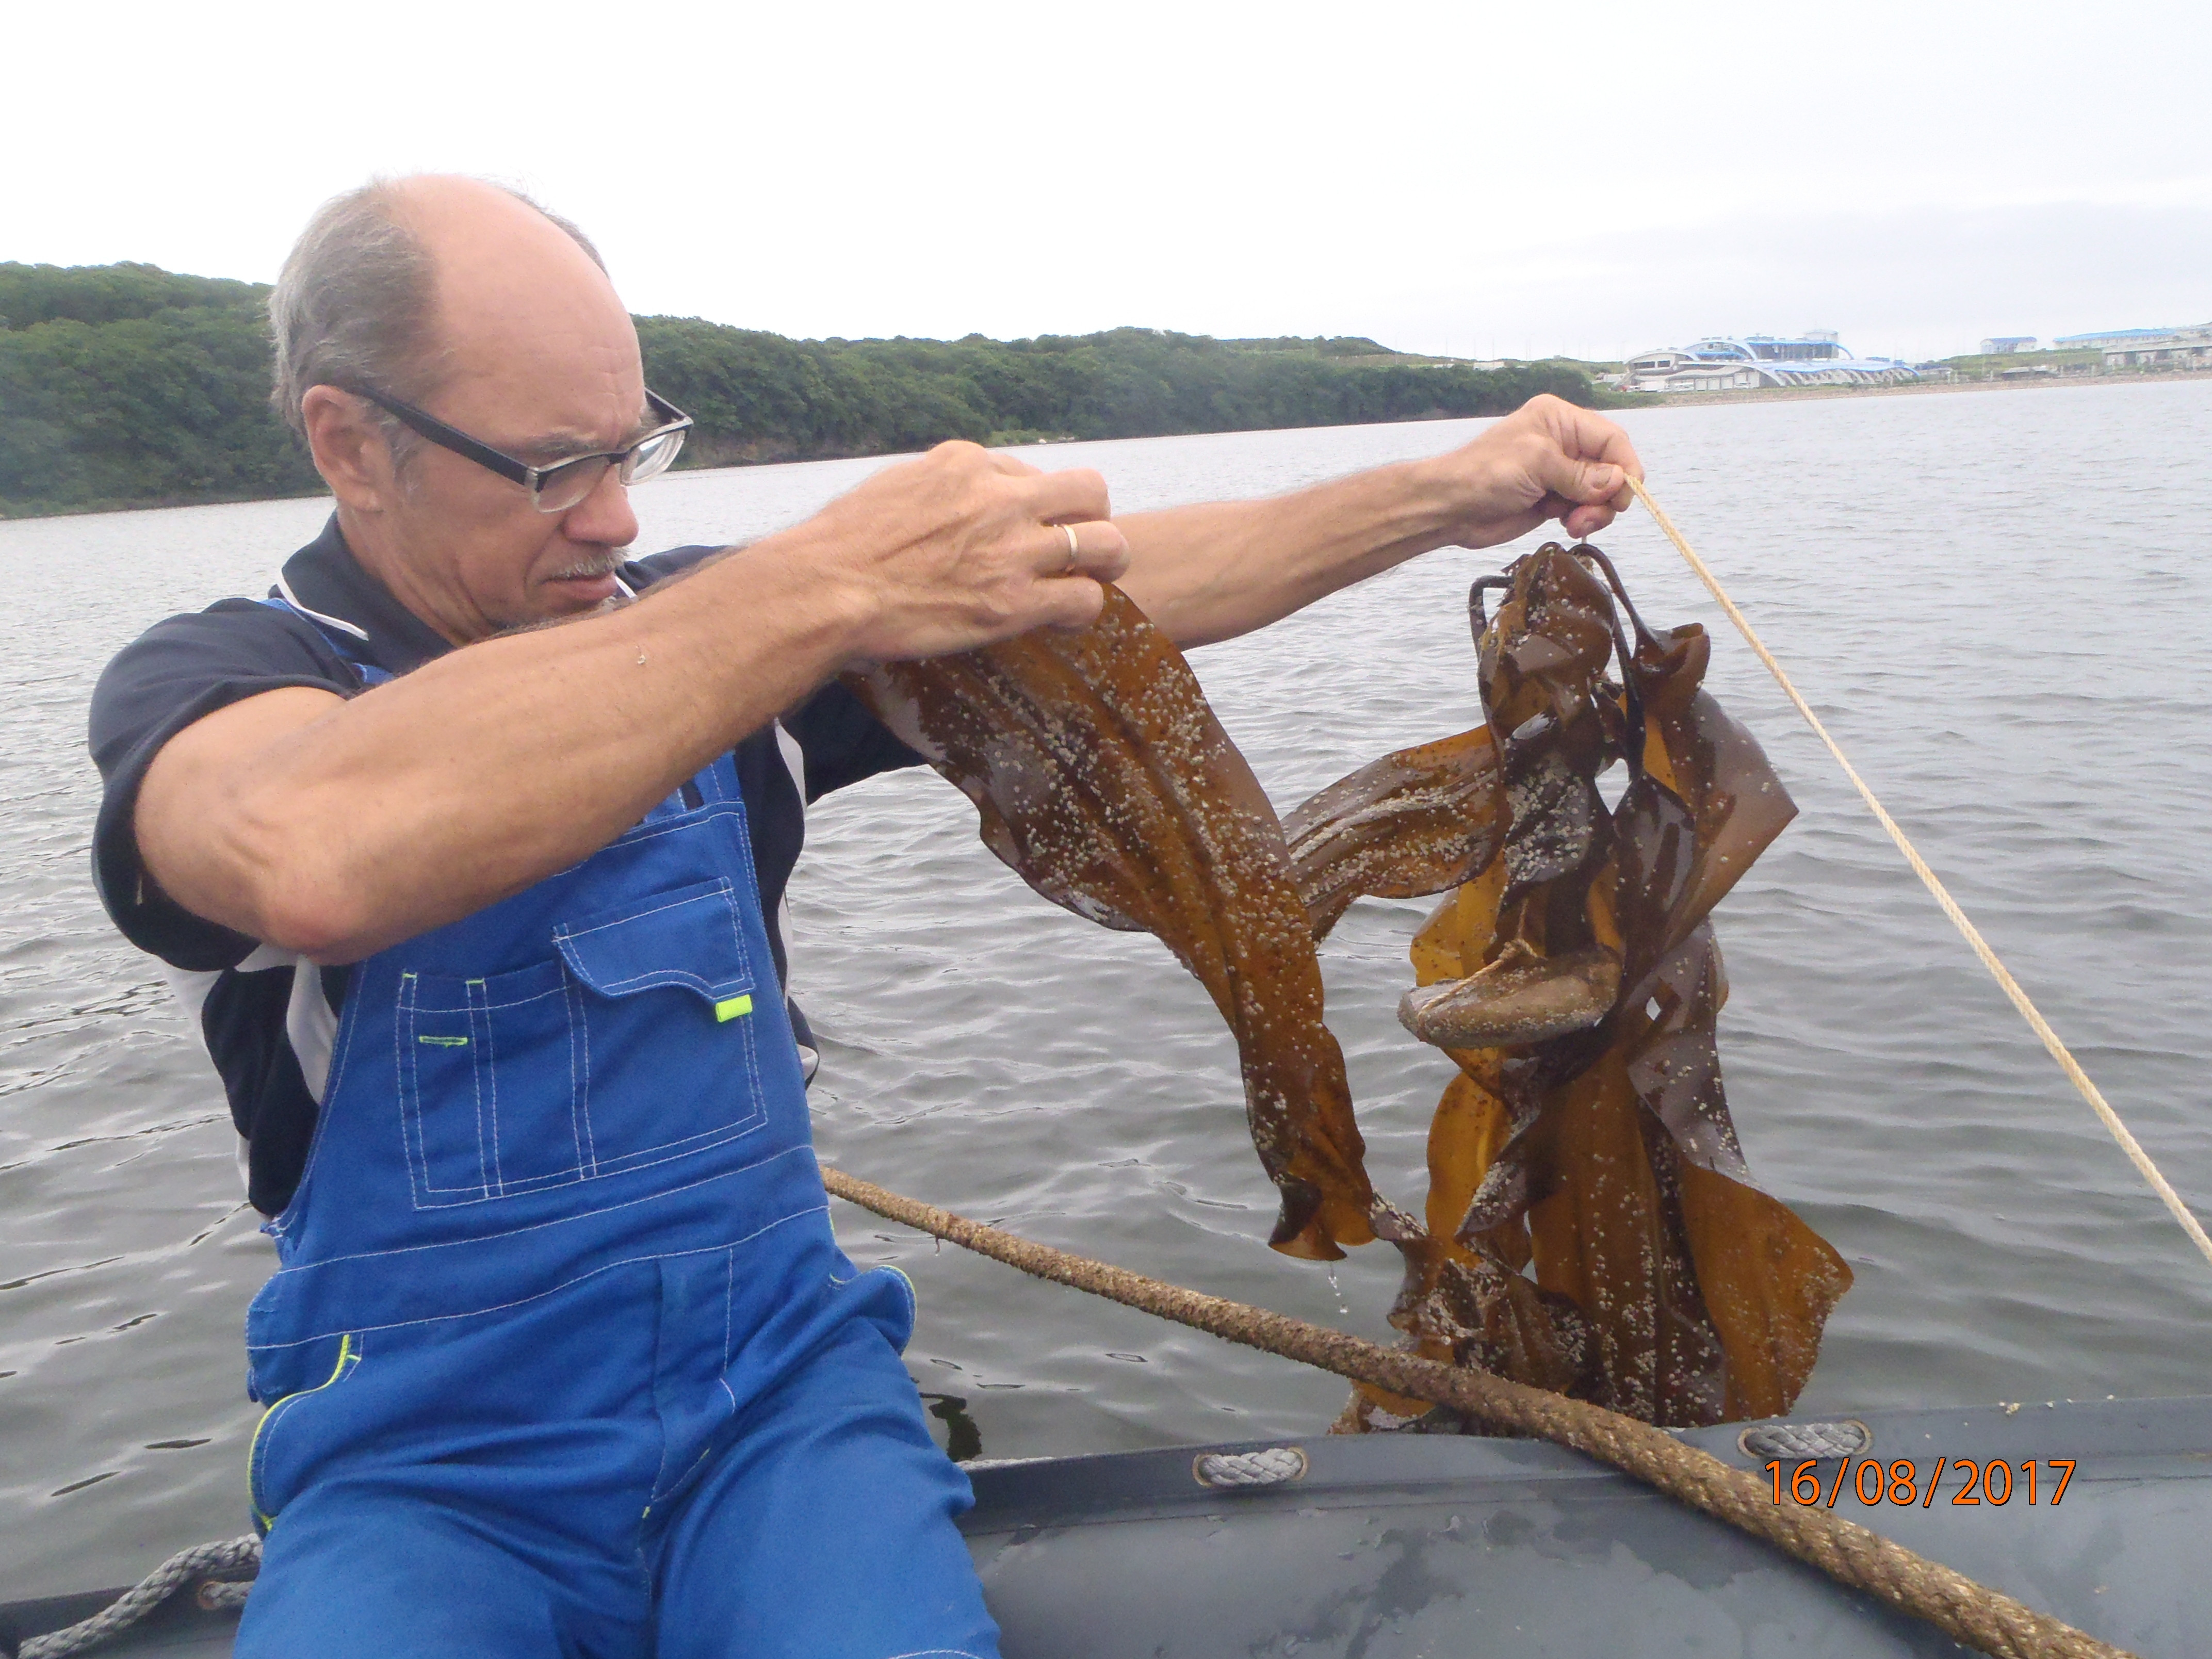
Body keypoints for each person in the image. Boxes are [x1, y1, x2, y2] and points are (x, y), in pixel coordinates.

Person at [86, 175, 1642, 1659]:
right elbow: (302, 848)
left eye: (639, 453)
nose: (618, 522)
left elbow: (1123, 581)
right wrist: (825, 583)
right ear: (353, 446)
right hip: (425, 1471)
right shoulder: (217, 685)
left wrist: (1453, 491)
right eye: (558, 468)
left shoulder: (733, 647)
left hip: (778, 1404)